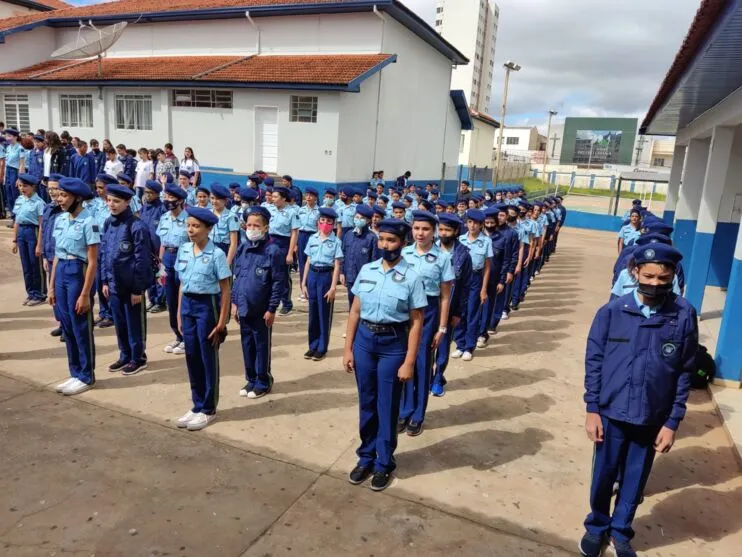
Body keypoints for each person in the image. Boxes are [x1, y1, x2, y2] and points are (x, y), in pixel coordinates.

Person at [579, 244, 697, 557]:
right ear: (635, 272)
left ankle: (621, 532)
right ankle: (597, 527)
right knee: (603, 477)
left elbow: (684, 372)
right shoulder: (612, 312)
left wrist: (672, 422)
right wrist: (592, 409)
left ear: (672, 275)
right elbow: (595, 362)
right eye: (648, 276)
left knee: (634, 479)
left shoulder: (683, 315)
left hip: (650, 417)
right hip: (611, 413)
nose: (655, 283)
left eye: (663, 277)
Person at [343, 218, 426, 491]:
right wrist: (348, 349)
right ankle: (365, 457)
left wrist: (409, 361)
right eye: (382, 240)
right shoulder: (368, 270)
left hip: (393, 344)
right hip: (365, 342)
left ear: (403, 243)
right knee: (367, 403)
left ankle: (384, 463)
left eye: (391, 240)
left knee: (387, 406)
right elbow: (355, 311)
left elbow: (416, 322)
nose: (385, 245)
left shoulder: (412, 278)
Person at [175, 207, 232, 431]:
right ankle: (196, 404)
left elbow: (225, 289)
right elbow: (181, 283)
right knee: (191, 355)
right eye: (188, 225)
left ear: (208, 229)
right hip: (188, 304)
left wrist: (222, 321)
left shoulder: (216, 254)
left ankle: (208, 408)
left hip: (207, 306)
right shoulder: (184, 250)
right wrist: (180, 311)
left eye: (196, 226)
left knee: (206, 355)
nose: (191, 230)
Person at [398, 211, 453, 435]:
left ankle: (418, 414)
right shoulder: (404, 253)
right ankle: (404, 409)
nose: (420, 233)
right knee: (403, 360)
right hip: (405, 311)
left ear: (434, 232)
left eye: (426, 229)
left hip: (428, 312)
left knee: (421, 363)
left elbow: (445, 296)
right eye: (416, 228)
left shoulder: (443, 258)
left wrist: (441, 327)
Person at [49, 177, 100, 396]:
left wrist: (86, 294)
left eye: (64, 196)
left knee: (80, 325)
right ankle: (75, 372)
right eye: (59, 195)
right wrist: (51, 286)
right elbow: (57, 256)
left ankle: (87, 375)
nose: (60, 199)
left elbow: (93, 261)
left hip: (78, 272)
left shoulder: (90, 222)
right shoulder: (60, 219)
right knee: (67, 324)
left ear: (77, 198)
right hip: (61, 272)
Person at [232, 206, 286, 399]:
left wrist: (272, 309)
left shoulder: (273, 251)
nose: (252, 228)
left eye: (257, 225)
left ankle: (263, 380)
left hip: (262, 309)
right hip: (244, 307)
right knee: (247, 344)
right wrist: (235, 303)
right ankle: (251, 379)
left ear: (265, 227)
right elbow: (238, 277)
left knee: (261, 345)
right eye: (249, 224)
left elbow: (279, 282)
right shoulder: (243, 247)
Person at [100, 184, 154, 376]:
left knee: (134, 324)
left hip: (131, 286)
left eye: (116, 201)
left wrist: (138, 289)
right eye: (109, 200)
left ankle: (138, 358)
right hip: (114, 284)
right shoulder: (108, 223)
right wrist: (105, 281)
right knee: (120, 323)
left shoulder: (136, 226)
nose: (112, 205)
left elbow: (142, 260)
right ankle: (124, 355)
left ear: (127, 202)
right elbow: (105, 253)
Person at [432, 213, 470, 396]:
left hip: (449, 308)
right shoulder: (431, 250)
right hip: (428, 307)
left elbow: (465, 287)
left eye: (447, 230)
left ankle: (438, 377)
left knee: (443, 346)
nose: (443, 233)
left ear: (455, 231)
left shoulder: (463, 255)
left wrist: (457, 313)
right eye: (441, 229)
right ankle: (426, 376)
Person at [301, 207, 343, 361]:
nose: (325, 224)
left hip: (326, 276)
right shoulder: (312, 238)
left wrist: (333, 287)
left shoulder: (336, 241)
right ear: (318, 222)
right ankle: (312, 345)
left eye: (329, 222)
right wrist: (304, 283)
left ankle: (322, 347)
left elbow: (337, 265)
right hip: (312, 275)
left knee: (324, 313)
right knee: (313, 313)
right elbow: (307, 261)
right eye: (323, 220)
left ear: (333, 224)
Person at [451, 209, 491, 361]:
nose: (472, 226)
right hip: (459, 278)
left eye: (476, 223)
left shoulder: (486, 241)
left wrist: (484, 289)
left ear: (481, 225)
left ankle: (469, 346)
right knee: (458, 311)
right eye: (470, 222)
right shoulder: (460, 239)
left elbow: (487, 266)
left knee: (472, 313)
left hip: (475, 278)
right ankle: (460, 344)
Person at [157, 185, 190, 355]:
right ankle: (177, 335)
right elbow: (162, 243)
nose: (168, 201)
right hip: (168, 259)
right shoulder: (164, 218)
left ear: (181, 201)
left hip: (183, 258)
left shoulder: (188, 220)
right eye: (167, 197)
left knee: (183, 300)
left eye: (172, 198)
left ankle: (186, 337)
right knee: (171, 300)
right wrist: (160, 266)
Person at [12, 173, 46, 306]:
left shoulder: (39, 203)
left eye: (25, 186)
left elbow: (42, 224)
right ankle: (31, 292)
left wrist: (39, 244)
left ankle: (40, 293)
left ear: (33, 187)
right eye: (20, 186)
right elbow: (16, 221)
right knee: (26, 265)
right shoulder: (20, 200)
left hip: (33, 231)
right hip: (22, 232)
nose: (22, 188)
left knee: (35, 264)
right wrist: (14, 240)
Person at [268, 186, 299, 316]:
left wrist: (290, 252)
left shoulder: (292, 212)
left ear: (284, 199)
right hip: (269, 242)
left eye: (275, 197)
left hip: (283, 243)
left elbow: (294, 233)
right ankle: (271, 301)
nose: (272, 199)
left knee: (283, 276)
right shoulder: (270, 210)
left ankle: (286, 303)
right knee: (269, 273)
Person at [40, 175, 65, 337]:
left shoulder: (66, 209)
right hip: (49, 255)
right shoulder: (48, 208)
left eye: (55, 188)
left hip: (63, 257)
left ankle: (68, 326)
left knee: (64, 294)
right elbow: (44, 231)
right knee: (54, 292)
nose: (52, 192)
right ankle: (62, 324)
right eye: (49, 189)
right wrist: (43, 255)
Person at [340, 204, 377, 308]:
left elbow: (374, 261)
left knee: (363, 306)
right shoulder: (348, 235)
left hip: (364, 280)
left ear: (368, 221)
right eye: (357, 217)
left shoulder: (372, 238)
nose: (358, 219)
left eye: (362, 218)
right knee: (352, 305)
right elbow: (343, 255)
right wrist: (342, 272)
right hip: (350, 277)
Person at [140, 180, 167, 313]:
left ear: (157, 194)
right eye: (146, 192)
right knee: (148, 274)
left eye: (151, 193)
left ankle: (161, 301)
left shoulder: (161, 208)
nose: (147, 195)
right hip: (146, 246)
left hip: (158, 248)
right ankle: (152, 299)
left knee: (159, 273)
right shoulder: (144, 207)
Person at [296, 186, 320, 300]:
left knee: (310, 263)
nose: (308, 197)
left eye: (311, 195)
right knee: (302, 263)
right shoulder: (301, 210)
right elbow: (296, 228)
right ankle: (303, 289)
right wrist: (296, 243)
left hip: (313, 236)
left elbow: (319, 228)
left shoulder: (319, 211)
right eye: (307, 195)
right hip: (302, 236)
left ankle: (311, 288)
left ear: (315, 197)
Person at [208, 183, 239, 266]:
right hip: (208, 248)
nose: (214, 201)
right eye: (212, 198)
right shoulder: (208, 213)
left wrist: (228, 261)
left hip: (223, 249)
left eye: (217, 199)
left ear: (225, 201)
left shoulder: (231, 216)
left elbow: (233, 243)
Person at [3, 128, 25, 224]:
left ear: (15, 137)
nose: (7, 138)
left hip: (15, 172)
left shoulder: (20, 148)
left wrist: (20, 178)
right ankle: (13, 216)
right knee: (9, 195)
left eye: (10, 136)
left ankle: (18, 217)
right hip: (8, 172)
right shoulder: (8, 148)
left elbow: (21, 164)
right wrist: (4, 176)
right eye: (7, 136)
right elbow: (6, 163)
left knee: (15, 195)